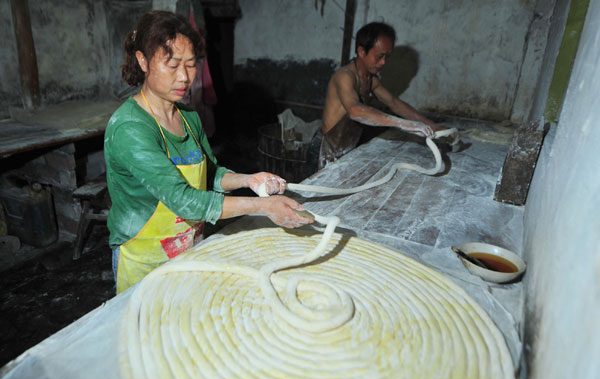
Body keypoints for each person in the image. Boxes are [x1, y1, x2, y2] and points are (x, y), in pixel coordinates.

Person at [105, 10, 312, 294]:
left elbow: (209, 174)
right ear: (142, 60)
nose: (184, 77)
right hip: (144, 259)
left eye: (191, 65)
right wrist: (263, 207)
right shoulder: (131, 128)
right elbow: (183, 200)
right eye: (172, 64)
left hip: (189, 247)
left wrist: (248, 180)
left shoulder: (188, 116)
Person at [309, 22, 448, 172]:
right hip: (325, 150)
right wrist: (404, 124)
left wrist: (430, 125)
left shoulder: (371, 80)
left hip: (345, 149)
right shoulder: (345, 76)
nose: (383, 62)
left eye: (387, 57)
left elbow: (394, 103)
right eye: (379, 56)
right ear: (362, 52)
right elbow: (355, 110)